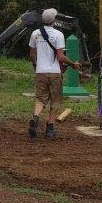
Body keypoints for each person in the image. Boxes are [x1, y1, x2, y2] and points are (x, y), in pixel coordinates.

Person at [28, 8, 82, 140]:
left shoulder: (35, 33)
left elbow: (32, 54)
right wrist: (73, 64)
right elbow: (61, 57)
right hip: (54, 73)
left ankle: (35, 118)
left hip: (40, 72)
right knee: (55, 100)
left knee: (41, 98)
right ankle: (50, 128)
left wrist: (36, 66)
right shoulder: (58, 34)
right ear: (54, 20)